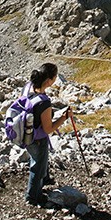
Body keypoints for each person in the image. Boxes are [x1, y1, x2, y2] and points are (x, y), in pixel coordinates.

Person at [23, 63, 72, 206]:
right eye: (55, 76)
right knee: (37, 166)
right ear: (50, 80)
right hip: (37, 138)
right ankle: (33, 197)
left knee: (36, 161)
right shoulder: (44, 102)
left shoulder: (28, 87)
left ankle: (43, 180)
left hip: (26, 133)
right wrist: (64, 117)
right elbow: (48, 129)